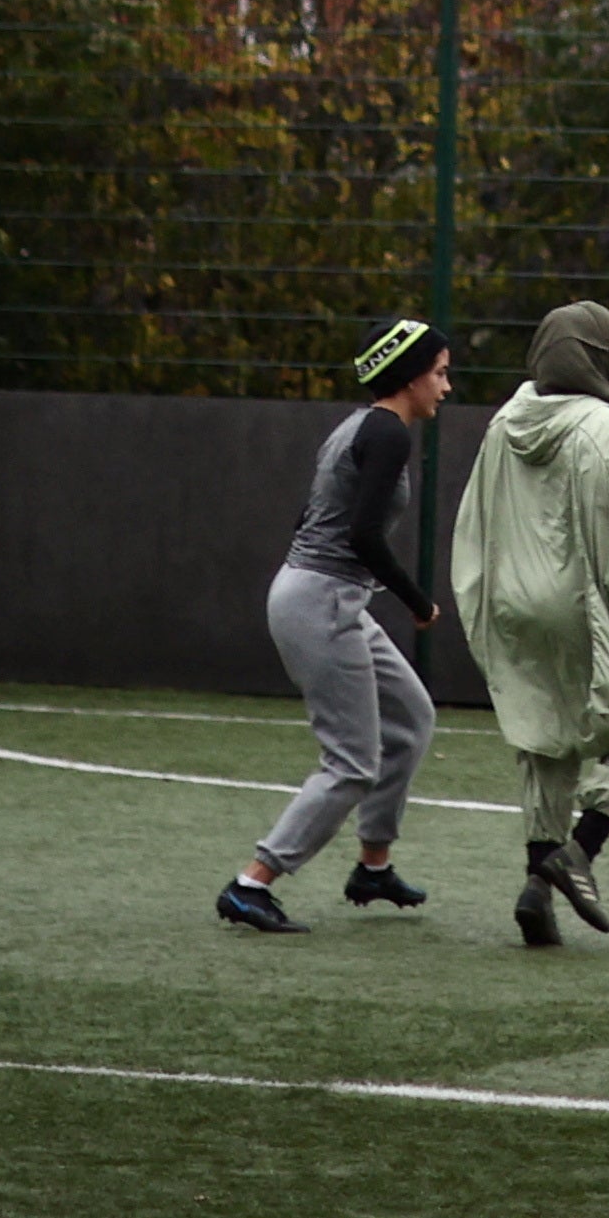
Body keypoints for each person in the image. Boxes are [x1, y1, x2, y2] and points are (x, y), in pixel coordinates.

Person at [451, 300, 609, 946]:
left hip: (512, 604)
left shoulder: (505, 420)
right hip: (581, 605)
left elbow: (478, 519)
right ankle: (578, 851)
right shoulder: (600, 428)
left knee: (545, 742)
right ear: (601, 357)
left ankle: (536, 892)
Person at [223, 316, 452, 933]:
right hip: (321, 600)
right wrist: (416, 602)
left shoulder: (358, 426)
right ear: (409, 376)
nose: (445, 386)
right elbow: (363, 535)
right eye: (439, 372)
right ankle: (253, 883)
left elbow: (313, 516)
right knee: (352, 762)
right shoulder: (388, 435)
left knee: (411, 718)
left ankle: (373, 866)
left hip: (325, 596)